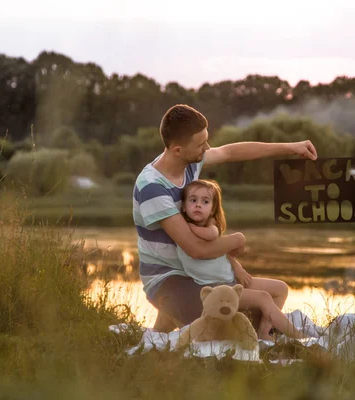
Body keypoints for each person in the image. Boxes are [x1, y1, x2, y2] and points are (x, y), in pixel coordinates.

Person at [132, 104, 317, 333]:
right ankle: (174, 314)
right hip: (170, 280)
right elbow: (196, 249)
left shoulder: (189, 162)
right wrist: (237, 240)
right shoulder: (153, 187)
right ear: (178, 150)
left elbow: (230, 152)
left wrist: (290, 148)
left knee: (269, 301)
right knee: (245, 321)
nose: (207, 148)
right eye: (201, 144)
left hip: (198, 272)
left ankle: (173, 321)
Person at [178, 179, 306, 340]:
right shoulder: (181, 229)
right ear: (183, 206)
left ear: (212, 209)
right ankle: (300, 338)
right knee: (264, 297)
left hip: (230, 279)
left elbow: (219, 248)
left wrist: (237, 267)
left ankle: (263, 331)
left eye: (205, 201)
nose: (198, 205)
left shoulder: (210, 227)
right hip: (215, 289)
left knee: (281, 288)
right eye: (193, 200)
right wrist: (190, 227)